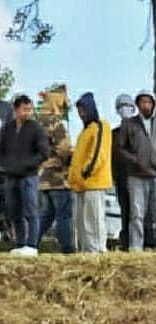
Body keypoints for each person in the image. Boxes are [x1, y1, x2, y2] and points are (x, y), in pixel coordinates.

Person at [116, 88, 156, 252]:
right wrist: (134, 160)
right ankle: (136, 246)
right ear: (138, 104)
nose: (146, 105)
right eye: (142, 102)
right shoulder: (129, 124)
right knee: (136, 213)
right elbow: (121, 148)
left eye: (148, 102)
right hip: (136, 175)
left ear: (153, 104)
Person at [0, 94, 50, 256]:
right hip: (10, 176)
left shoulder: (36, 128)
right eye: (24, 109)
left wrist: (28, 164)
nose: (28, 112)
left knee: (31, 210)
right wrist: (6, 165)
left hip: (29, 175)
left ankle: (32, 245)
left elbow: (44, 152)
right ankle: (20, 243)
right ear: (16, 110)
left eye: (30, 109)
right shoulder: (7, 129)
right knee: (14, 211)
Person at [67, 92, 111, 254]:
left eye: (84, 110)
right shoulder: (83, 132)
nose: (81, 114)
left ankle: (98, 250)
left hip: (94, 182)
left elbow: (98, 153)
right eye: (79, 111)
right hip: (79, 184)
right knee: (82, 223)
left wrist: (86, 172)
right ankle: (86, 251)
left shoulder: (100, 126)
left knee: (94, 219)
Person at [36, 83, 74, 253]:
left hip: (43, 178)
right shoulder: (55, 123)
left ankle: (31, 243)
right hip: (58, 178)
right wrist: (75, 157)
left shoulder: (38, 123)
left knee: (46, 216)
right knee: (64, 215)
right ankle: (67, 250)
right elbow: (63, 149)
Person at [111, 93, 136, 251]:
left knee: (138, 212)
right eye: (120, 106)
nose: (124, 109)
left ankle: (139, 242)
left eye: (127, 106)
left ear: (133, 108)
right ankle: (126, 242)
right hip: (120, 179)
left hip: (138, 178)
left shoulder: (140, 131)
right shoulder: (114, 134)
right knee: (125, 211)